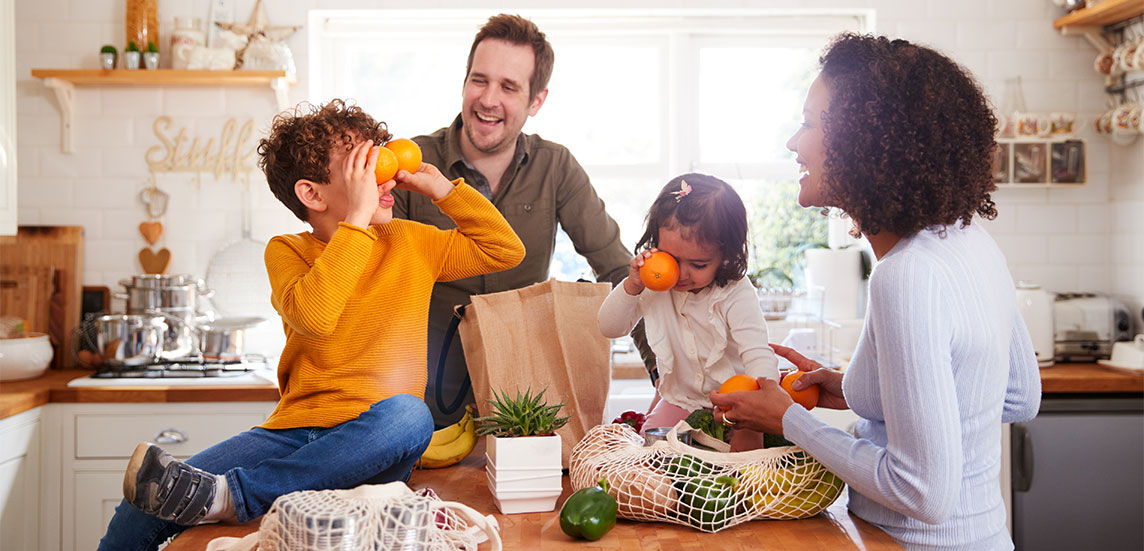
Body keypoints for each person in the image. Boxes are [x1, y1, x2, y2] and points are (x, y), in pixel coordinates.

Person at [98, 99, 525, 550]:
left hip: (374, 440)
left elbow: (504, 251)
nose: (384, 173)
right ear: (312, 194)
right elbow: (315, 316)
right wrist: (357, 220)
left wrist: (443, 189)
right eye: (364, 165)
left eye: (379, 154)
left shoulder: (411, 242)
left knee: (410, 414)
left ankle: (235, 496)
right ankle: (245, 492)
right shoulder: (287, 251)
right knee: (141, 504)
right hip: (293, 436)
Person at [708, 34, 1042, 550]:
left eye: (810, 123)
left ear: (863, 142)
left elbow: (922, 494)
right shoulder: (969, 239)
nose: (794, 143)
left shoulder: (905, 275)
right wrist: (870, 389)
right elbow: (1018, 395)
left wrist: (789, 420)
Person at [393, 13, 650, 427]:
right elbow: (376, 286)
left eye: (508, 86)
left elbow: (623, 273)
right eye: (480, 80)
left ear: (536, 101)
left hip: (523, 402)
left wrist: (664, 378)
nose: (489, 99)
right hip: (421, 399)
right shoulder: (412, 163)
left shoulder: (557, 167)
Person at [598, 173, 779, 451]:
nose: (681, 274)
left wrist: (755, 418)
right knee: (651, 454)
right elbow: (610, 327)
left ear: (726, 255)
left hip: (738, 405)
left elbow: (757, 355)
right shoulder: (653, 281)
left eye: (698, 264)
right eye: (672, 258)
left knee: (743, 464)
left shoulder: (735, 292)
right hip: (681, 400)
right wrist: (632, 285)